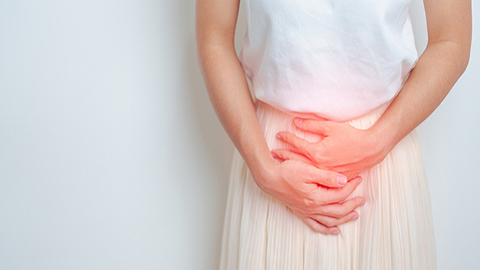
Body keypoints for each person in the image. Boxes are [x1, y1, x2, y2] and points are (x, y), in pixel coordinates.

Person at [195, 0, 471, 269]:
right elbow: (214, 39)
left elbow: (450, 41)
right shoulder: (267, 169)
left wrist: (376, 142)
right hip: (273, 162)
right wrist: (264, 170)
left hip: (384, 157)